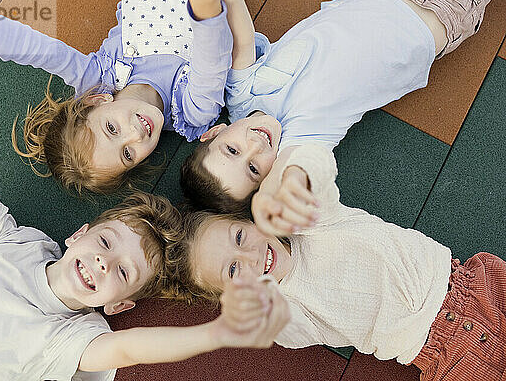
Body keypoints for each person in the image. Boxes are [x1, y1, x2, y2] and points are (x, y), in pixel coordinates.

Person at [0, 0, 290, 379]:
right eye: (108, 248)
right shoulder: (45, 298)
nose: (105, 263)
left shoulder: (47, 304)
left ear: (118, 306)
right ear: (79, 233)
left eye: (122, 272)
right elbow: (127, 347)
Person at [168, 141, 506, 380]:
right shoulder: (289, 310)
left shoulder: (311, 222)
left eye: (240, 238)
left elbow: (317, 159)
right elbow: (290, 331)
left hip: (475, 285)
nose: (250, 256)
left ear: (250, 219)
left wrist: (292, 178)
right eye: (233, 269)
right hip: (446, 355)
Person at [180, 0, 499, 214]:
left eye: (232, 149)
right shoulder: (302, 137)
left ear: (216, 132)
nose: (254, 147)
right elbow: (291, 174)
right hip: (443, 6)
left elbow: (243, 43)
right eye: (253, 168)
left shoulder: (241, 97)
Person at [0, 0, 246, 194]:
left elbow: (28, 47)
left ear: (97, 102)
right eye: (128, 154)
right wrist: (204, 1)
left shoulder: (98, 76)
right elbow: (212, 61)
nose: (134, 135)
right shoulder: (192, 110)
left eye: (112, 128)